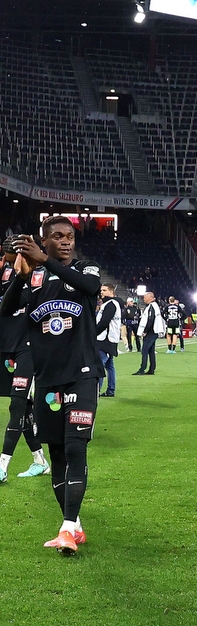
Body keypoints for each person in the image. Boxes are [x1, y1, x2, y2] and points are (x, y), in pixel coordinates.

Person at [0, 218, 104, 553]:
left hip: (82, 374)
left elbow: (89, 289)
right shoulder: (35, 277)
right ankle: (73, 525)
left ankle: (66, 530)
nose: (65, 241)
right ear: (43, 241)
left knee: (75, 447)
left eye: (69, 236)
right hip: (47, 380)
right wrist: (20, 274)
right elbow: (6, 308)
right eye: (57, 237)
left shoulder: (86, 268)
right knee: (57, 451)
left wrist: (44, 261)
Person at [0, 236, 47, 481]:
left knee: (17, 405)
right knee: (24, 408)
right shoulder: (6, 275)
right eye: (9, 259)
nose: (14, 263)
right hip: (5, 349)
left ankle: (2, 465)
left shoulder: (41, 279)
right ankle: (39, 460)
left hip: (27, 350)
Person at [95, 284, 122, 398]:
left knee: (99, 365)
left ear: (111, 292)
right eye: (101, 290)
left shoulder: (110, 304)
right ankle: (111, 390)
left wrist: (93, 333)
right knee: (110, 366)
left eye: (104, 290)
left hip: (105, 339)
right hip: (110, 339)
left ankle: (96, 390)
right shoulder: (111, 304)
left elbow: (104, 322)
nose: (102, 292)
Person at [134, 293, 164, 375]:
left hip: (150, 332)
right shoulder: (155, 306)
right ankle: (151, 369)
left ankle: (142, 369)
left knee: (144, 351)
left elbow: (150, 319)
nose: (144, 299)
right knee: (151, 351)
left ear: (150, 298)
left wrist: (145, 331)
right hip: (154, 332)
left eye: (145, 297)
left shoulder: (151, 307)